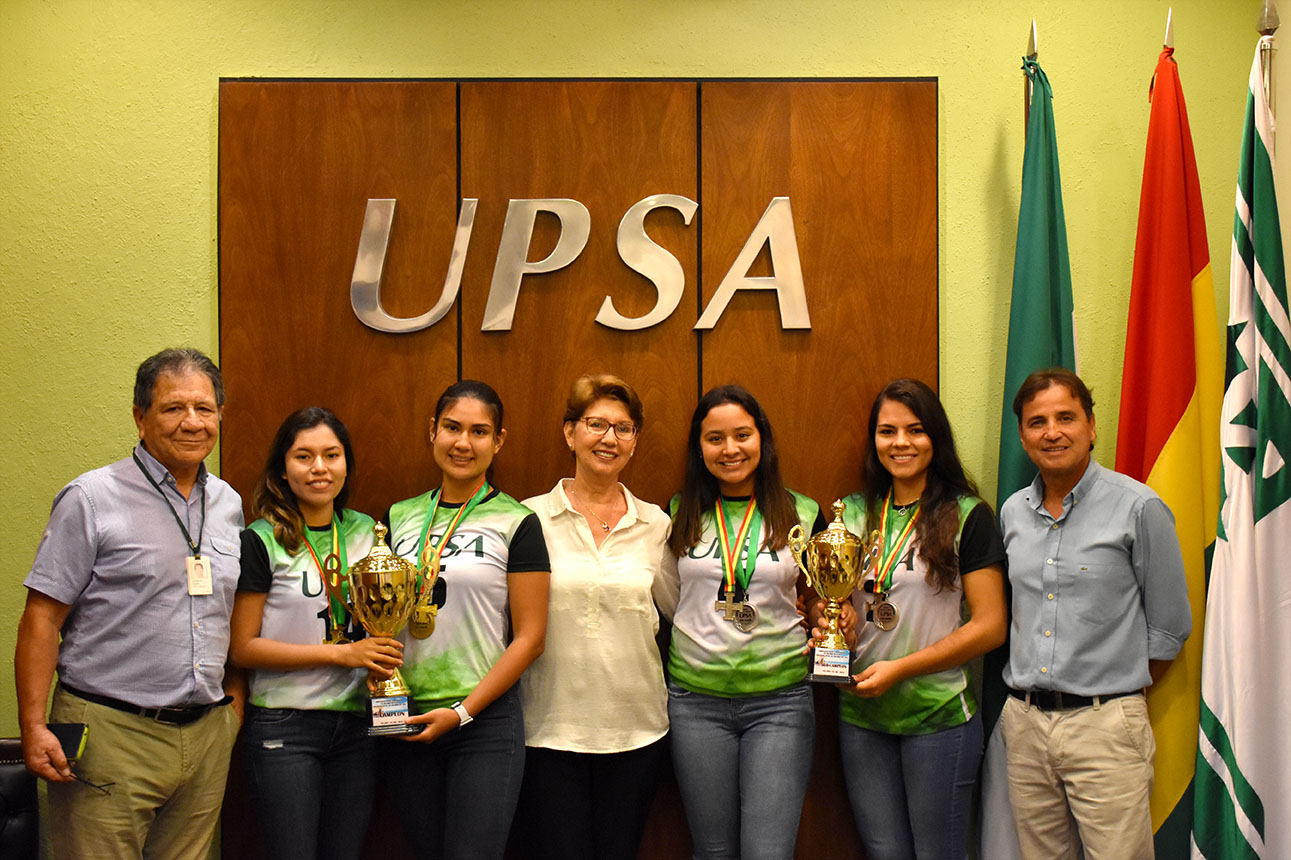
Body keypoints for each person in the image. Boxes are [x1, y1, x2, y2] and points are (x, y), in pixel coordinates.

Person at [15, 347, 244, 860]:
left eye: (204, 409)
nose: (192, 422)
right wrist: (33, 726)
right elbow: (41, 619)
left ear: (220, 416)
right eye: (173, 408)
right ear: (140, 418)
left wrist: (231, 712)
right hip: (109, 734)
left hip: (205, 735)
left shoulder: (228, 503)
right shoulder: (91, 498)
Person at [1000, 368, 1191, 860]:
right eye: (1037, 421)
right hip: (1024, 724)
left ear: (1091, 425)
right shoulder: (1012, 513)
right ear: (1022, 436)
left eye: (1066, 417)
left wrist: (1113, 688)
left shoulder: (1138, 507)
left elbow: (1169, 627)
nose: (1052, 431)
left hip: (1105, 725)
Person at [817, 378, 1007, 860]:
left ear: (935, 438)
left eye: (915, 430)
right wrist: (828, 623)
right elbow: (838, 604)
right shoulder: (849, 514)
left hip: (936, 716)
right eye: (887, 431)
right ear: (873, 439)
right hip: (860, 714)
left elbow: (990, 625)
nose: (900, 443)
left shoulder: (967, 515)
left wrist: (900, 669)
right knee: (885, 852)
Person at [384, 380, 550, 860]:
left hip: (484, 721)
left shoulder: (517, 521)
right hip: (405, 713)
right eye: (452, 428)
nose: (463, 442)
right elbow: (377, 619)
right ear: (432, 431)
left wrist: (462, 713)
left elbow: (531, 637)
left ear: (498, 441)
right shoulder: (397, 517)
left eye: (479, 432)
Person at [230, 407, 404, 860]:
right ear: (283, 470)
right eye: (304, 457)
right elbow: (243, 647)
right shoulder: (262, 539)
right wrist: (341, 656)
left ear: (347, 463)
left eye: (332, 455)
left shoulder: (370, 533)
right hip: (285, 725)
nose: (320, 468)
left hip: (356, 725)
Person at [663, 384, 824, 860]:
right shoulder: (678, 511)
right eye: (715, 438)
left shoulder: (803, 512)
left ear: (762, 439)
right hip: (695, 702)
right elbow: (672, 597)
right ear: (699, 447)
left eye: (742, 435)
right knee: (711, 851)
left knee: (768, 852)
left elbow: (814, 597)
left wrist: (831, 618)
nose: (730, 449)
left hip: (781, 703)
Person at [517, 374, 674, 860]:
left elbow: (681, 610)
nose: (609, 438)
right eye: (596, 424)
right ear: (570, 433)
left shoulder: (656, 524)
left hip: (637, 730)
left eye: (623, 429)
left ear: (635, 441)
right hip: (548, 729)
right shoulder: (527, 519)